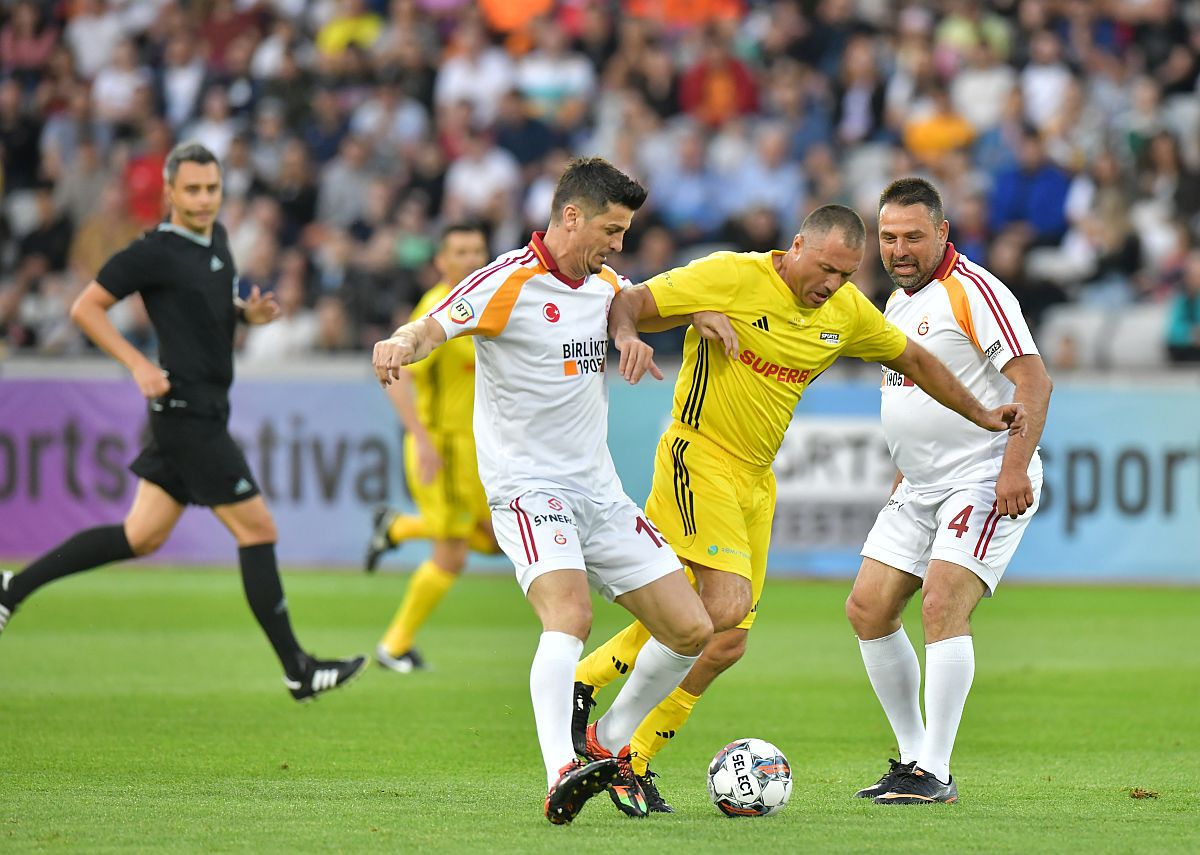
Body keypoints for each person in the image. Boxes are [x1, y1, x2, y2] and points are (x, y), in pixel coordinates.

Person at [571, 204, 1027, 811]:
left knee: (725, 639)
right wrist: (632, 336)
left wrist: (982, 414)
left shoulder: (844, 312)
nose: (833, 285)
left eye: (847, 274)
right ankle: (600, 722)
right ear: (795, 247)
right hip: (697, 455)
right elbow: (627, 304)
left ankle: (632, 756)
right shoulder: (731, 276)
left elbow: (913, 361)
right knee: (722, 606)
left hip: (756, 482)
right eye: (826, 268)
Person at [371, 157, 713, 825]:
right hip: (529, 490)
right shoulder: (508, 281)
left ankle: (606, 743)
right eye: (611, 229)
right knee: (571, 615)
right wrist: (399, 342)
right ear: (571, 216)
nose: (617, 244)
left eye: (623, 233)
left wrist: (668, 323)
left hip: (599, 491)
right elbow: (434, 325)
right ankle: (560, 768)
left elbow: (630, 300)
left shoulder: (604, 279)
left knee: (692, 627)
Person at [0, 142, 366, 702]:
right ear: (169, 192)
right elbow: (85, 308)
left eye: (211, 189)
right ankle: (298, 668)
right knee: (258, 529)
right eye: (191, 189)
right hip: (186, 415)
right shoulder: (154, 251)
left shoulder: (216, 241)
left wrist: (248, 314)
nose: (202, 199)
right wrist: (139, 363)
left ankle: (11, 589)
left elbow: (208, 310)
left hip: (206, 408)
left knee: (139, 536)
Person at [847, 177, 1052, 805]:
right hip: (921, 485)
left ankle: (934, 769)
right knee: (868, 609)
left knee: (940, 604)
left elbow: (1033, 383)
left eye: (912, 236)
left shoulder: (975, 291)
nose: (899, 248)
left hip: (983, 474)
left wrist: (1013, 467)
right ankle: (913, 758)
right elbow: (916, 395)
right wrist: (905, 471)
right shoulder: (896, 303)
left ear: (942, 232)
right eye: (887, 237)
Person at [365, 222, 502, 673]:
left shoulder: (482, 304)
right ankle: (394, 645)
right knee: (453, 553)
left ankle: (398, 528)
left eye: (477, 250)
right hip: (442, 449)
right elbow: (397, 375)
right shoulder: (436, 312)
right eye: (459, 251)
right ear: (440, 262)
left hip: (475, 450)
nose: (469, 259)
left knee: (498, 540)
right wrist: (421, 440)